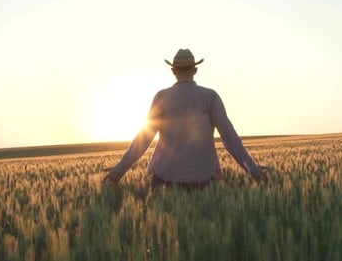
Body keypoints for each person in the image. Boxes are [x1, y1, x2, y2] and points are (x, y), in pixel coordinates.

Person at [103, 49, 268, 187]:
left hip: (164, 180)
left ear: (173, 71)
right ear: (195, 70)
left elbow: (143, 139)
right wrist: (252, 169)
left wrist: (118, 171)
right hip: (205, 181)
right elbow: (229, 137)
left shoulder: (161, 97)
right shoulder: (210, 97)